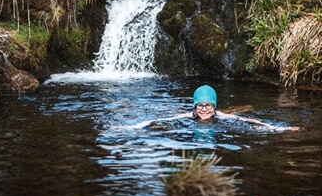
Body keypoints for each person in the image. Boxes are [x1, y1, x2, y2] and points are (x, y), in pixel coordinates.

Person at [121, 85, 300, 131]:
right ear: (195, 106)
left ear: (214, 107)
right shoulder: (188, 116)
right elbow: (160, 120)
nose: (204, 109)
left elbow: (248, 120)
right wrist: (131, 127)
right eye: (200, 105)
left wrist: (278, 128)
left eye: (208, 105)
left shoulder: (221, 115)